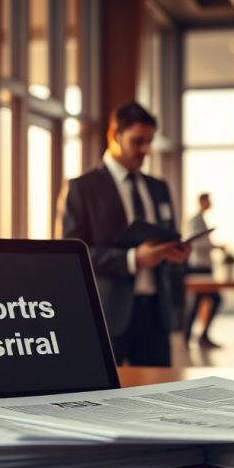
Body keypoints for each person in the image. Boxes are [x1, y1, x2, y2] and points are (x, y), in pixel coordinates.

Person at [57, 102, 189, 366]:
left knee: (160, 390)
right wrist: (132, 259)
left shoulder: (158, 188)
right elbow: (71, 256)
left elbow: (167, 236)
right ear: (114, 135)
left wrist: (175, 251)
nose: (145, 150)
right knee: (105, 389)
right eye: (137, 141)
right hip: (107, 313)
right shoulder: (82, 189)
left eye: (149, 142)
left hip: (156, 313)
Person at [183, 193, 222, 348]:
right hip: (199, 267)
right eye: (208, 200)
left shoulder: (201, 220)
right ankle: (196, 335)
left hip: (205, 267)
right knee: (211, 299)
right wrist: (214, 247)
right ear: (201, 201)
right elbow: (195, 244)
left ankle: (196, 335)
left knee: (200, 300)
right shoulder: (195, 220)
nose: (211, 203)